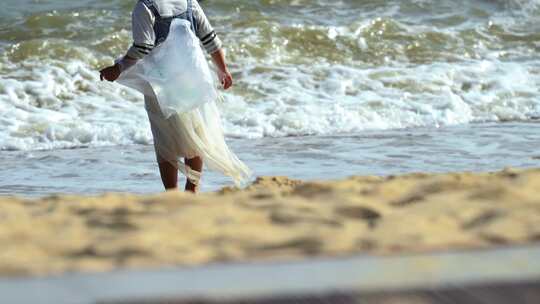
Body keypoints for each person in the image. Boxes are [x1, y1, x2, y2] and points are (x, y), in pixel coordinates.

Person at [99, 0, 250, 193]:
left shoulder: (144, 7)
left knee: (165, 142)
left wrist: (118, 68)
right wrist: (223, 70)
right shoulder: (189, 3)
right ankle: (192, 189)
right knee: (195, 134)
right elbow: (210, 38)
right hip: (193, 78)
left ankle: (172, 193)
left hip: (162, 83)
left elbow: (143, 47)